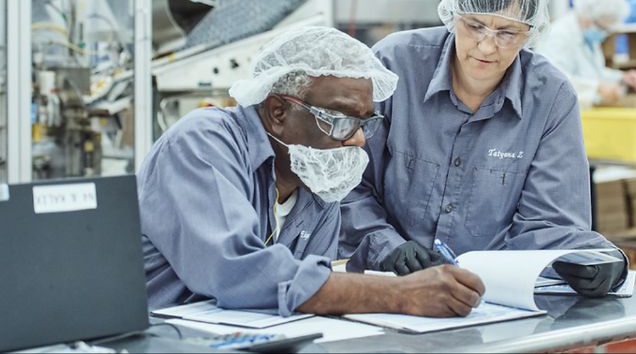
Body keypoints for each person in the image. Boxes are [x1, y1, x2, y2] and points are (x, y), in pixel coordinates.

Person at [339, 0, 627, 298]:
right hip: (385, 289)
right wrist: (386, 247)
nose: (487, 47)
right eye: (475, 26)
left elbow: (551, 223)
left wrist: (597, 260)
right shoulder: (394, 66)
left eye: (507, 33)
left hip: (493, 299)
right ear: (452, 13)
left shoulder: (551, 98)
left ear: (531, 31)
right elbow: (344, 182)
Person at [138, 26, 485, 317]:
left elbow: (306, 289)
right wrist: (400, 294)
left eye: (365, 123)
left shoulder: (316, 183)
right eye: (341, 120)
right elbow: (235, 273)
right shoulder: (204, 142)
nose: (358, 139)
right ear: (278, 111)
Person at [538, 0, 636, 107]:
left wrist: (621, 78)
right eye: (602, 28)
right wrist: (597, 88)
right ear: (588, 18)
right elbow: (554, 82)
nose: (604, 34)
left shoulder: (587, 36)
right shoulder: (559, 35)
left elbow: (594, 73)